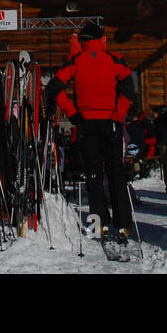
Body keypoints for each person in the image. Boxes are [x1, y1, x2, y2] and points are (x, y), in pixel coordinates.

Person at [47, 21, 136, 257]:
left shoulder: (76, 61)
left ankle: (100, 224)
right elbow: (129, 87)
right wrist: (118, 115)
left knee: (94, 175)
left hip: (86, 124)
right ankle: (124, 224)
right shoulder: (113, 59)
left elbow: (55, 87)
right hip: (111, 123)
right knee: (116, 174)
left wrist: (73, 114)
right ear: (101, 39)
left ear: (83, 40)